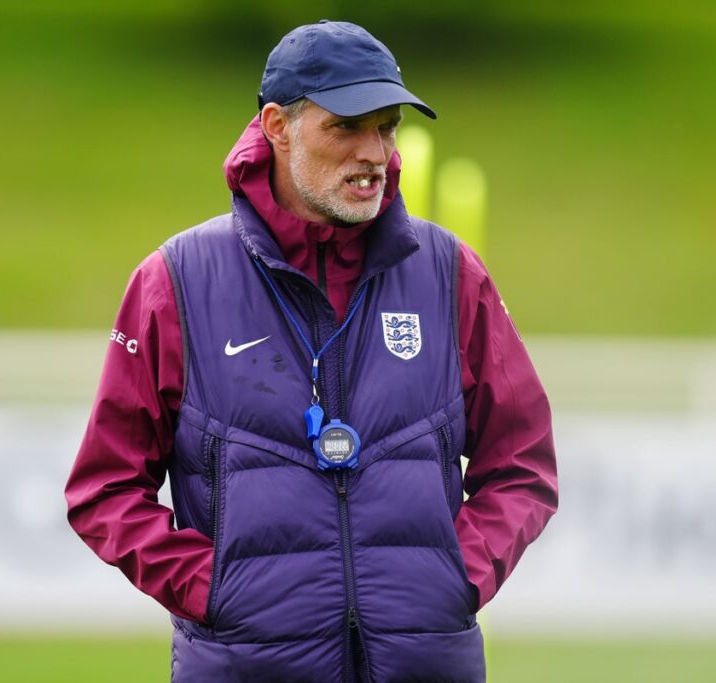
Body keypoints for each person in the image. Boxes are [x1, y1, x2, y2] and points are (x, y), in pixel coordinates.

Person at [65, 19, 557, 682]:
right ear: (277, 126)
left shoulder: (451, 272)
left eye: (386, 127)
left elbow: (523, 462)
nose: (374, 152)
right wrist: (214, 590)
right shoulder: (174, 281)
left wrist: (454, 576)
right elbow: (104, 488)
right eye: (346, 127)